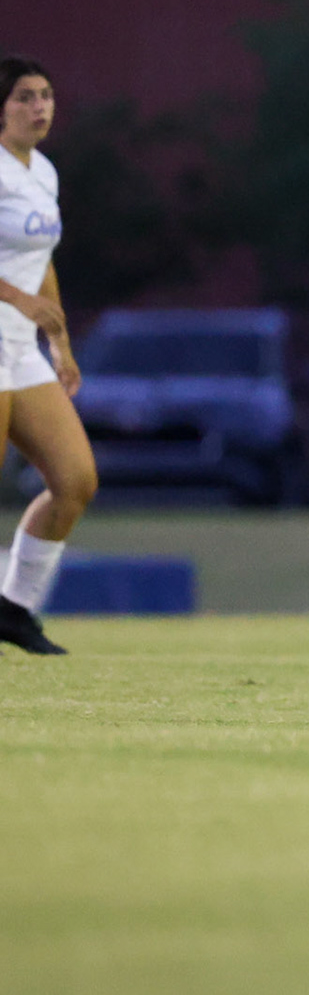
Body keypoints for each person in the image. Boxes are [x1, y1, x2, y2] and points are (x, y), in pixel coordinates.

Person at [0, 57, 100, 656]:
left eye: (46, 95)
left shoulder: (45, 173)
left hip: (20, 350)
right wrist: (19, 301)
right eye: (24, 97)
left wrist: (58, 341)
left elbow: (43, 263)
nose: (40, 107)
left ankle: (11, 609)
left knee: (75, 481)